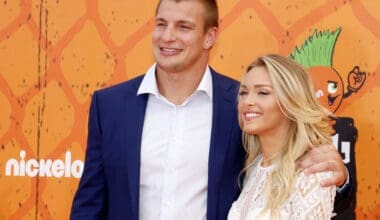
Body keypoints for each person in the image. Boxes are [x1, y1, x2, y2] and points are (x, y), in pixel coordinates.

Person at [70, 1, 348, 219]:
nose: (167, 37)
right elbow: (90, 203)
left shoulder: (241, 106)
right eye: (161, 24)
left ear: (209, 37)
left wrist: (341, 177)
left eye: (183, 27)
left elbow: (292, 167)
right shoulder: (110, 106)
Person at [228, 54, 336, 219]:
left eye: (263, 93)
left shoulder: (311, 170)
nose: (247, 101)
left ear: (290, 101)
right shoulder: (255, 167)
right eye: (243, 92)